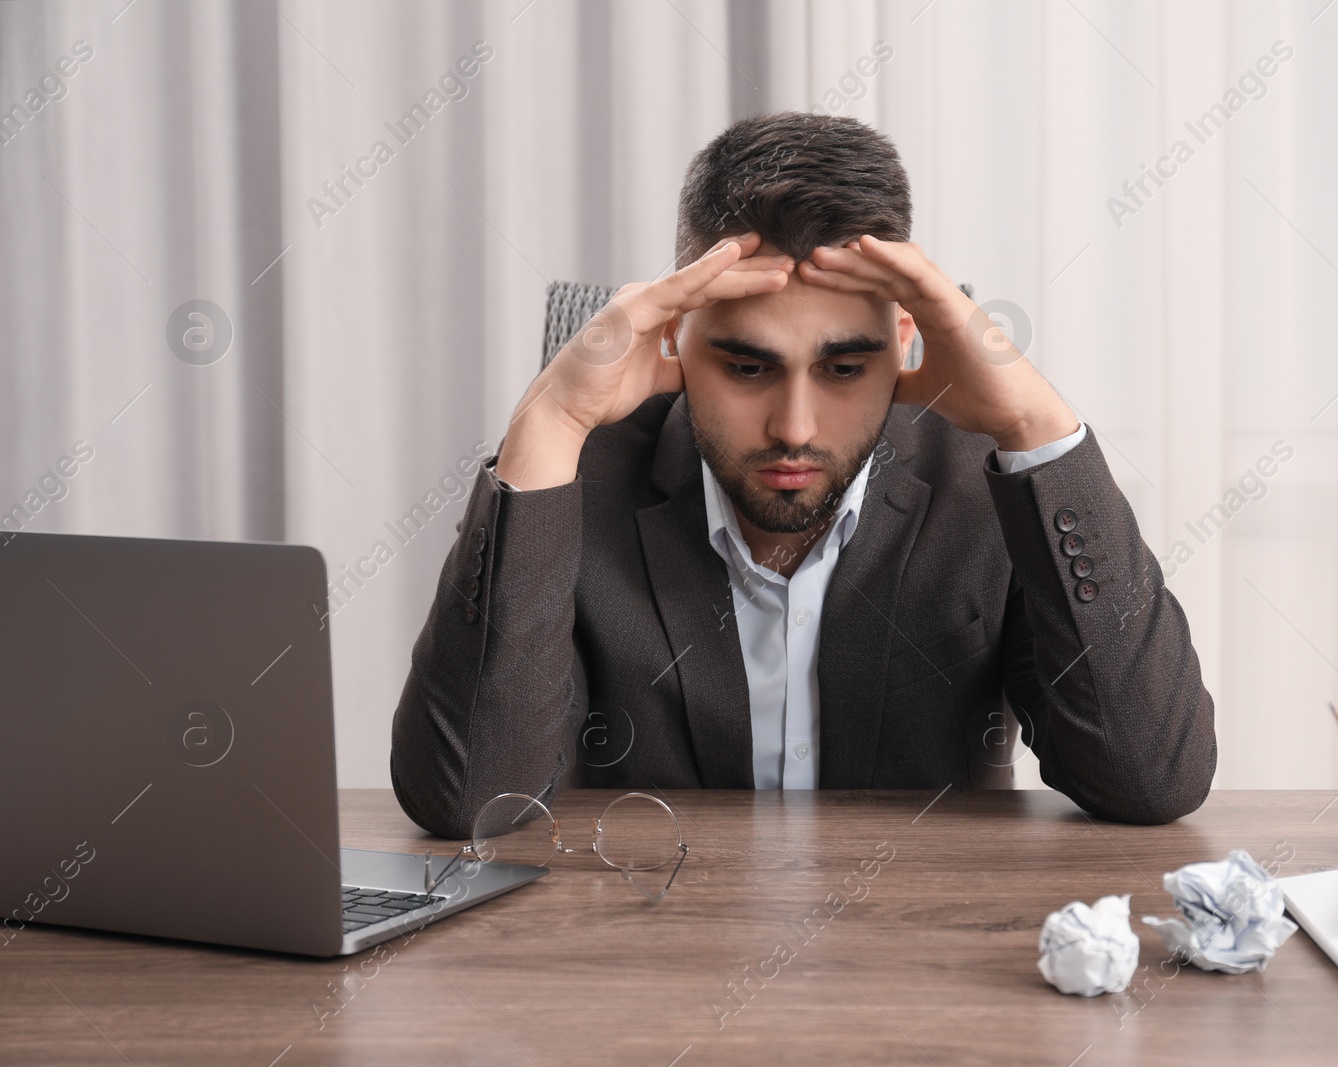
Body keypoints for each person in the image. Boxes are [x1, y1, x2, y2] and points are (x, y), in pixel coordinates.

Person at [390, 111, 1215, 839]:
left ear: (905, 340)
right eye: (747, 367)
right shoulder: (576, 479)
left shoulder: (991, 483)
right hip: (646, 973)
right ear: (675, 336)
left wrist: (1039, 428)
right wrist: (547, 421)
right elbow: (472, 802)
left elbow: (1152, 780)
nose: (795, 426)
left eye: (845, 367)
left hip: (920, 965)